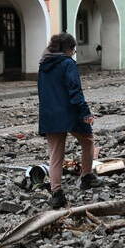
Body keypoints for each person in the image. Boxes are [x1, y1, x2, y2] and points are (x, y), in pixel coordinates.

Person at [37, 33, 100, 209]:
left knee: (55, 154)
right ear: (68, 49)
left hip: (50, 113)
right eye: (73, 49)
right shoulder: (68, 64)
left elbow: (43, 91)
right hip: (70, 112)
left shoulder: (44, 64)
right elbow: (75, 90)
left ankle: (56, 193)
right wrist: (85, 112)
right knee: (87, 141)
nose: (73, 53)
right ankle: (87, 177)